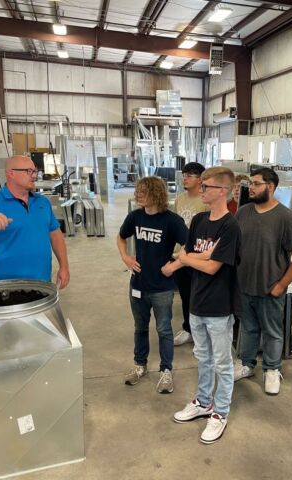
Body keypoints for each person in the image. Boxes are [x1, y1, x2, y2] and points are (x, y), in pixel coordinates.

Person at [173, 167, 241, 445]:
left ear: (222, 191)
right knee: (202, 357)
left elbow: (212, 267)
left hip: (219, 305)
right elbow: (189, 252)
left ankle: (220, 412)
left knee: (223, 363)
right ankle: (203, 401)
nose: (201, 191)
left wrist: (188, 260)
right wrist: (192, 258)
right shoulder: (199, 219)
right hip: (197, 302)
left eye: (206, 187)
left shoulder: (231, 226)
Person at [234, 167, 292, 395]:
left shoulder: (285, 217)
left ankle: (272, 369)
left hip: (270, 289)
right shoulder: (243, 213)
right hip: (244, 286)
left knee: (272, 332)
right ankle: (246, 363)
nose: (251, 188)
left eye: (256, 184)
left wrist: (281, 284)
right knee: (247, 328)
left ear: (271, 187)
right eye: (251, 183)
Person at [117, 177, 188, 393]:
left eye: (143, 192)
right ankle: (140, 365)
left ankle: (166, 371)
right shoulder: (135, 217)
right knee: (140, 327)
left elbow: (189, 247)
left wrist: (174, 266)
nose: (138, 195)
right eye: (138, 191)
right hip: (138, 285)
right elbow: (121, 237)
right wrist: (126, 257)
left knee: (164, 330)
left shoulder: (172, 221)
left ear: (156, 194)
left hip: (162, 288)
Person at [0, 155, 70, 288]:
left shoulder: (42, 202)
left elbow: (55, 235)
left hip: (43, 283)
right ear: (11, 173)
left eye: (35, 171)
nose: (34, 176)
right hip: (10, 287)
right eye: (29, 171)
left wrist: (64, 266)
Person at [173, 162, 209, 346]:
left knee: (199, 296)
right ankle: (188, 329)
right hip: (180, 257)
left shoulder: (205, 201)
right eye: (184, 174)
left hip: (198, 258)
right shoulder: (179, 199)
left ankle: (200, 332)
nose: (185, 178)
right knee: (185, 296)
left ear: (200, 179)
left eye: (190, 175)